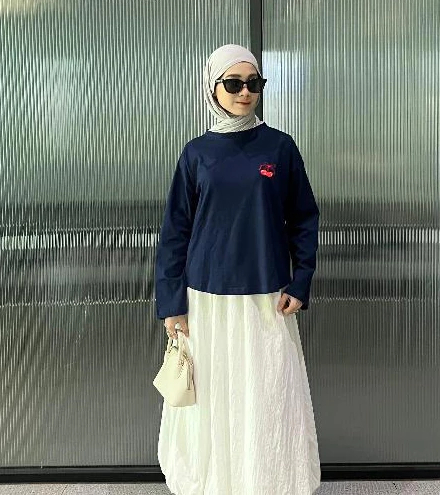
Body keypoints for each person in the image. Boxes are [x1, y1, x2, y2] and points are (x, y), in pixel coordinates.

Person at [154, 43, 321, 495]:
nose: (245, 92)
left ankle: (266, 482)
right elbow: (175, 231)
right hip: (205, 299)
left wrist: (300, 281)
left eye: (254, 83)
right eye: (233, 83)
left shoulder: (279, 148)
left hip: (266, 296)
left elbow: (304, 219)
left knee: (266, 394)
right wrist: (171, 303)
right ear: (213, 88)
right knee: (214, 395)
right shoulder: (196, 154)